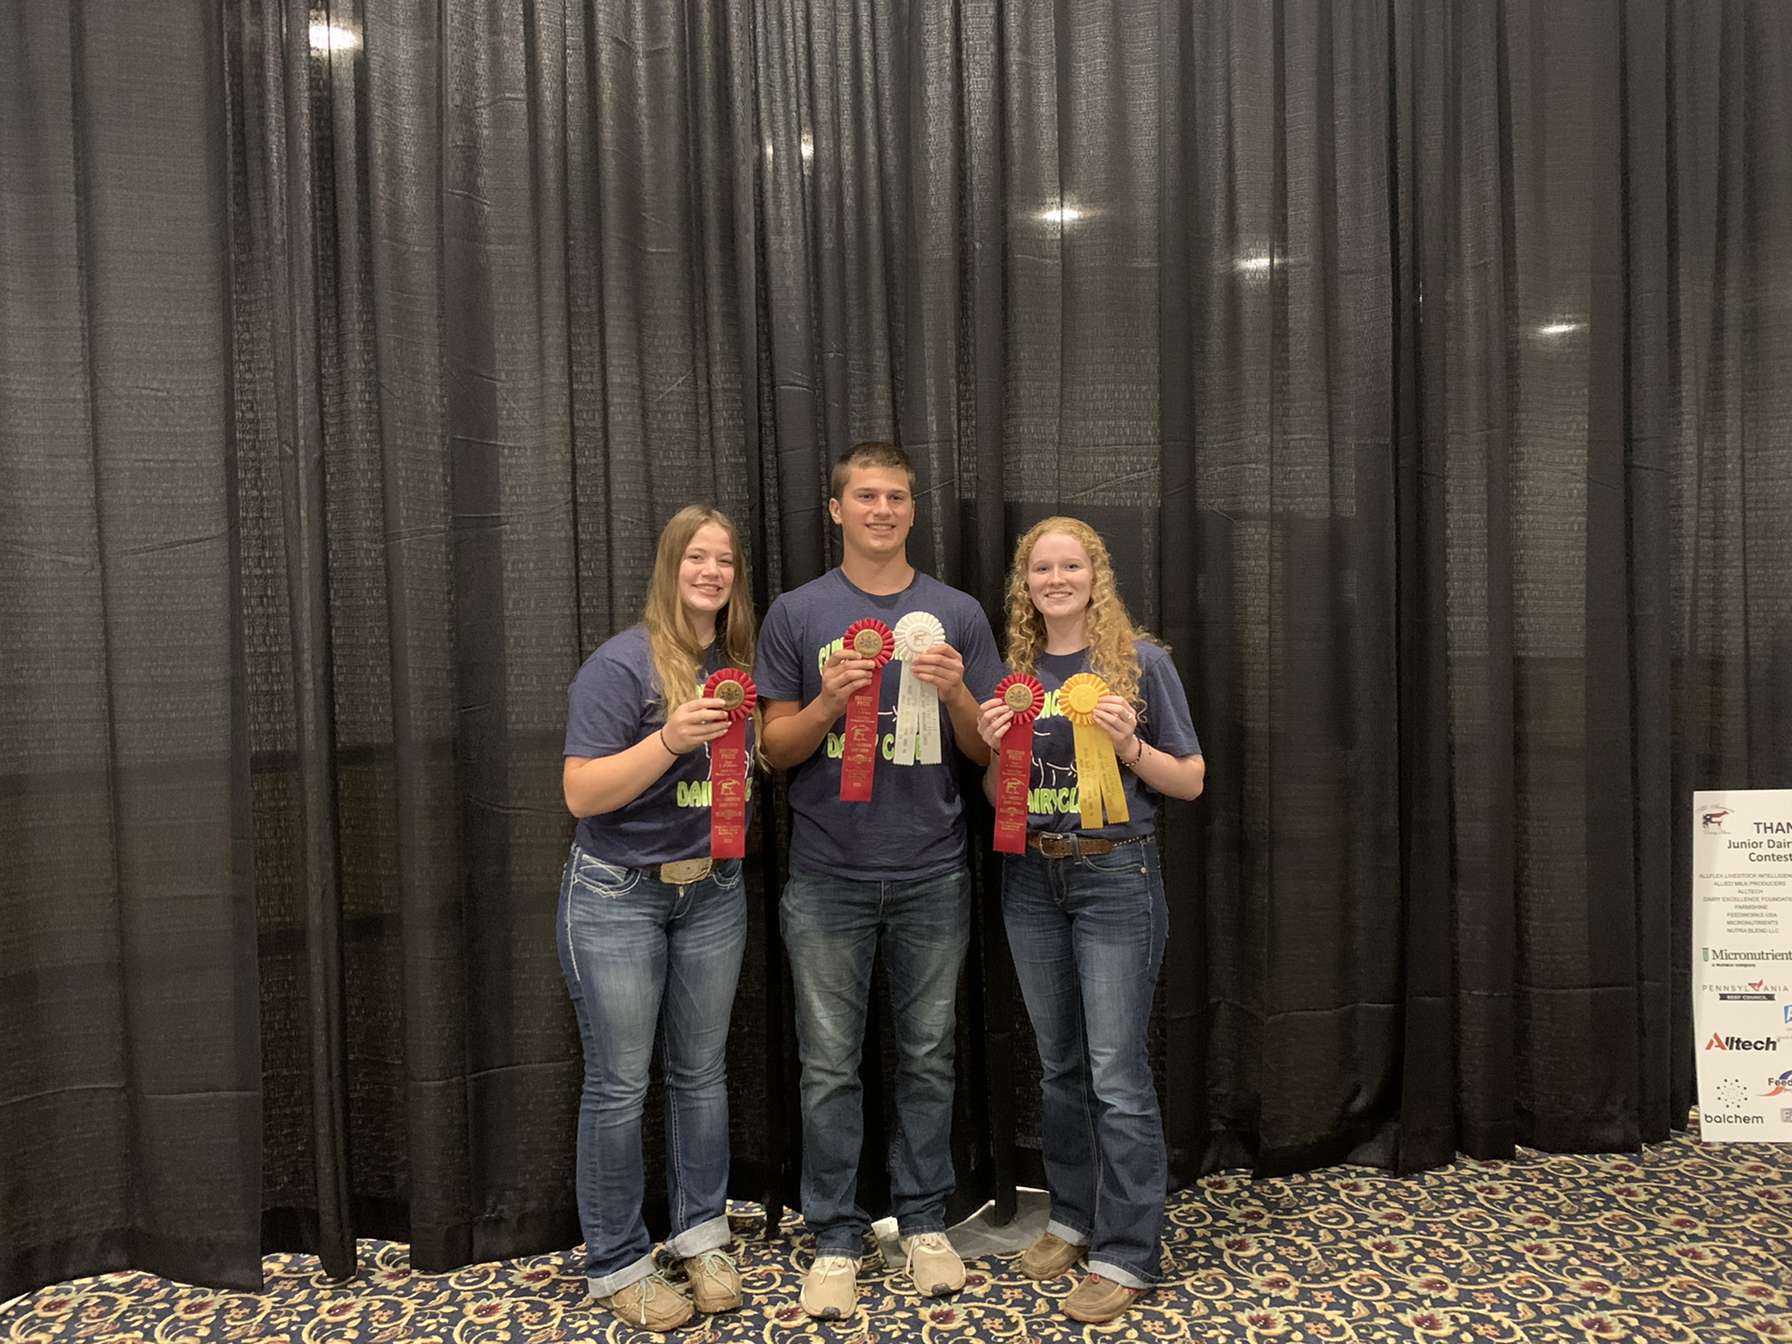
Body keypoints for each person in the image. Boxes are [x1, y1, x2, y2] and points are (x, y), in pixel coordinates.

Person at [756, 443, 1005, 1320]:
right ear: (836, 511)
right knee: (828, 1067)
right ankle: (834, 1234)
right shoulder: (796, 613)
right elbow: (772, 753)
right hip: (826, 876)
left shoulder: (959, 614)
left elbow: (989, 752)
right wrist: (826, 702)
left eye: (897, 496)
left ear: (911, 510)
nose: (883, 510)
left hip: (935, 871)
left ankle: (924, 1221)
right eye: (866, 496)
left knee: (929, 1059)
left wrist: (963, 693)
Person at [975, 516, 1205, 1325]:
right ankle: (1073, 1218)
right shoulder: (1015, 673)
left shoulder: (1142, 664)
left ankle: (1127, 1254)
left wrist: (1132, 747)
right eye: (1043, 568)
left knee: (1116, 1071)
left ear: (1095, 576)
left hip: (1116, 875)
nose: (1057, 579)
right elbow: (999, 799)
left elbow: (1189, 781)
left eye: (1072, 565)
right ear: (1026, 585)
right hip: (1030, 878)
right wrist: (991, 746)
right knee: (1060, 1064)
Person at [557, 505, 761, 1333]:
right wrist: (671, 738)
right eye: (696, 558)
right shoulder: (620, 667)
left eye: (725, 560)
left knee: (701, 1074)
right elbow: (581, 794)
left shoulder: (732, 663)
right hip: (618, 896)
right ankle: (615, 1263)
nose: (711, 572)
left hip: (712, 891)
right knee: (617, 1085)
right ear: (668, 567)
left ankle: (700, 1233)